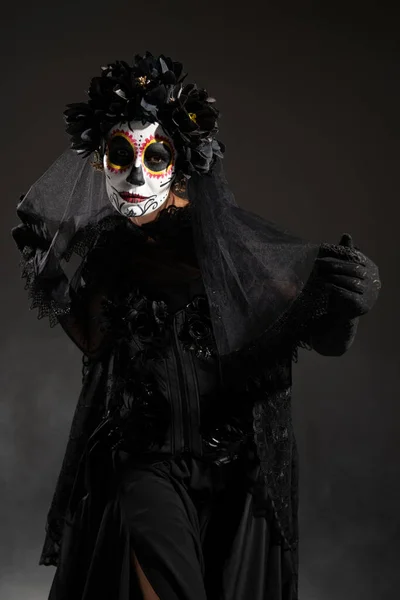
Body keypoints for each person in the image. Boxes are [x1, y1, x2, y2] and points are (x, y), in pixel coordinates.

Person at [12, 52, 381, 600]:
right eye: (119, 154)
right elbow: (97, 345)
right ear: (99, 161)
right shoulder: (105, 249)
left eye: (155, 156)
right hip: (145, 461)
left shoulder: (231, 247)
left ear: (180, 161)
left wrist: (349, 307)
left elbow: (320, 338)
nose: (136, 175)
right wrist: (53, 284)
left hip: (237, 472)